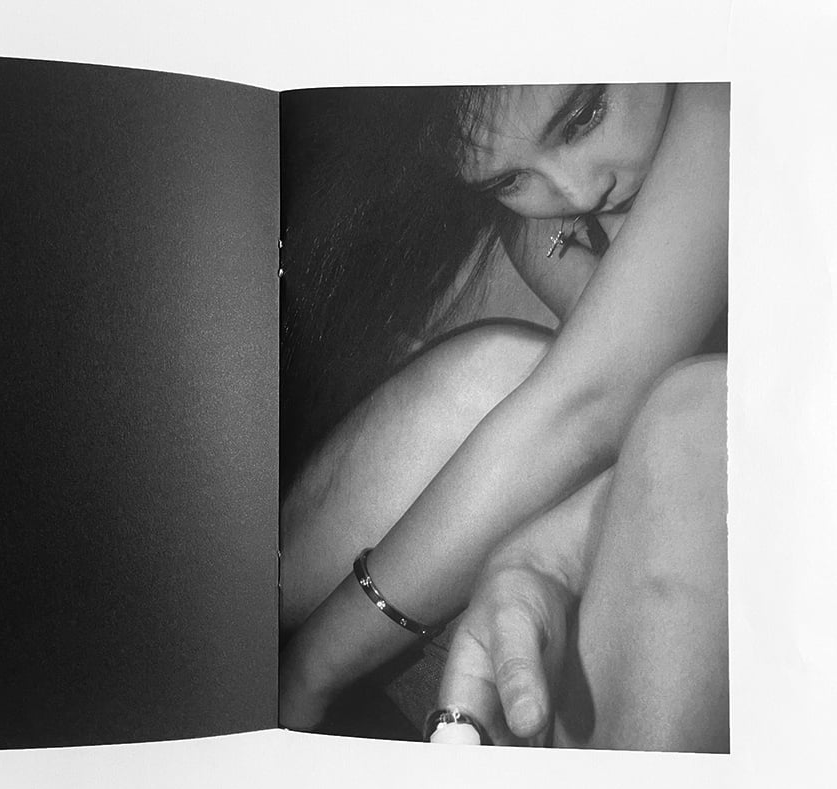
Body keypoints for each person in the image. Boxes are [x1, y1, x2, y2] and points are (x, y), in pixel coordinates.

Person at [278, 82, 729, 751]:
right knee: (500, 372)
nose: (578, 190)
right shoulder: (540, 225)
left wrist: (309, 672)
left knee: (674, 415)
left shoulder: (729, 97)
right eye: (510, 179)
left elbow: (595, 405)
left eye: (586, 115)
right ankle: (211, 633)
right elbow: (613, 392)